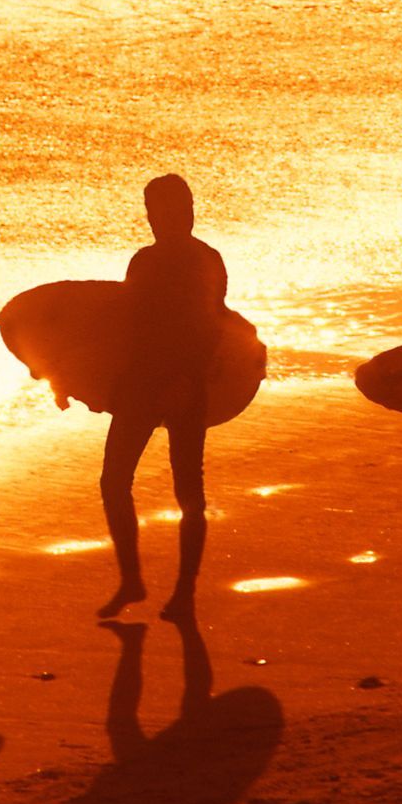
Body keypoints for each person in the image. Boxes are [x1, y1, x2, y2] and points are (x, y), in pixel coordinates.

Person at [96, 174, 228, 622]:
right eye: (154, 211)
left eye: (175, 209)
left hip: (185, 385)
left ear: (189, 210)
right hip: (139, 382)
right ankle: (131, 579)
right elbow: (125, 327)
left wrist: (188, 380)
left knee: (188, 493)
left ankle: (185, 591)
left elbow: (212, 325)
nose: (163, 218)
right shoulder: (144, 260)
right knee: (113, 482)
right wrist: (97, 387)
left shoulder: (203, 260)